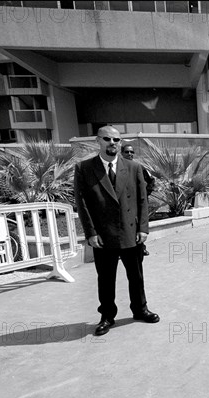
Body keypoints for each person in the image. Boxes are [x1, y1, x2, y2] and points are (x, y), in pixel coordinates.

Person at [74, 126, 160, 336]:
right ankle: (107, 316)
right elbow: (82, 203)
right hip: (103, 236)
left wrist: (143, 228)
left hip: (131, 232)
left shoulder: (134, 167)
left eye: (116, 139)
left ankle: (140, 310)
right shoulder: (84, 168)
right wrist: (91, 233)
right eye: (107, 139)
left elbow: (142, 200)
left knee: (136, 276)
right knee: (105, 278)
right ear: (98, 141)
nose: (112, 142)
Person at [122, 144, 154, 256]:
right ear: (121, 153)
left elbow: (151, 180)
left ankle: (141, 248)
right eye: (127, 152)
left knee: (139, 225)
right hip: (123, 204)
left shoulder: (138, 167)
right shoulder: (116, 168)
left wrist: (145, 194)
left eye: (131, 152)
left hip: (137, 203)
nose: (129, 154)